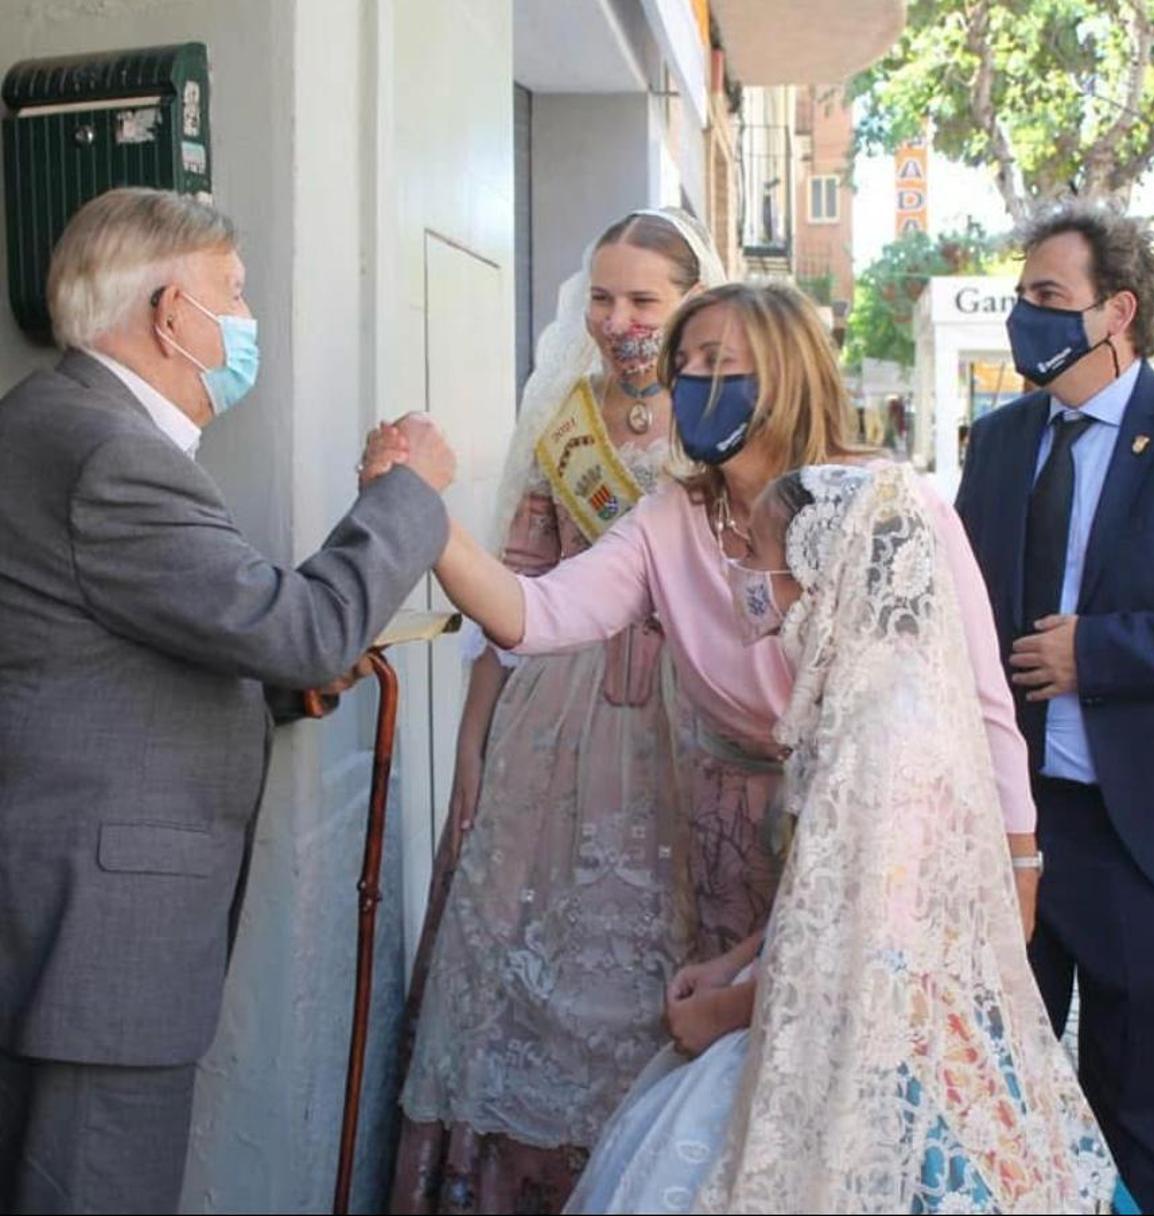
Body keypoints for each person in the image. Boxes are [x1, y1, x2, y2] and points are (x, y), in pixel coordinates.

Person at [0, 188, 453, 1216]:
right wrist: (408, 492)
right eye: (233, 297)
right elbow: (303, 626)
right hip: (97, 954)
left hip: (69, 932)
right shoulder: (108, 451)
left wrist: (282, 688)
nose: (246, 324)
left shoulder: (56, 422)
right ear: (170, 315)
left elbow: (103, 654)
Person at [405, 281, 1042, 967]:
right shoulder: (672, 515)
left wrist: (1019, 862)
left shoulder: (887, 506)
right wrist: (420, 515)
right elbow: (535, 615)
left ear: (787, 373)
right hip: (729, 839)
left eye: (721, 363)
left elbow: (979, 700)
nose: (696, 384)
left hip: (873, 842)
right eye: (686, 368)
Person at [566, 463, 1135, 1216]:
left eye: (761, 560)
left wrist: (723, 1012)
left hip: (879, 1051)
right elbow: (827, 893)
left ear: (822, 574)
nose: (745, 579)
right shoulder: (867, 696)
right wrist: (737, 963)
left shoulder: (883, 732)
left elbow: (866, 960)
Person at [387, 208, 726, 1215]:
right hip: (557, 713)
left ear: (687, 304)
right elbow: (517, 589)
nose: (620, 321)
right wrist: (473, 754)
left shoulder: (721, 412)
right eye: (603, 300)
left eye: (644, 301)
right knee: (523, 955)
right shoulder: (565, 420)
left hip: (688, 719)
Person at [955, 201, 1154, 1216]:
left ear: (1118, 313)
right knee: (988, 1087)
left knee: (1133, 1097)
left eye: (1049, 298)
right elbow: (961, 608)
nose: (1027, 318)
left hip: (1140, 831)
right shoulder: (1003, 440)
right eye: (1021, 298)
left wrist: (1098, 651)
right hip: (1012, 828)